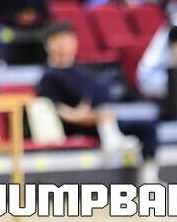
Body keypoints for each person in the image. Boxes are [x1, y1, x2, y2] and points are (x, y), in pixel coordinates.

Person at [38, 22, 160, 184]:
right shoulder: (49, 76)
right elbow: (52, 109)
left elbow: (96, 101)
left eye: (68, 39)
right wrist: (78, 115)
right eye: (59, 39)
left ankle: (149, 179)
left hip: (99, 119)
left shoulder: (85, 71)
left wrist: (98, 115)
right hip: (76, 125)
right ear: (48, 44)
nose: (65, 44)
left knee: (147, 126)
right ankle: (111, 137)